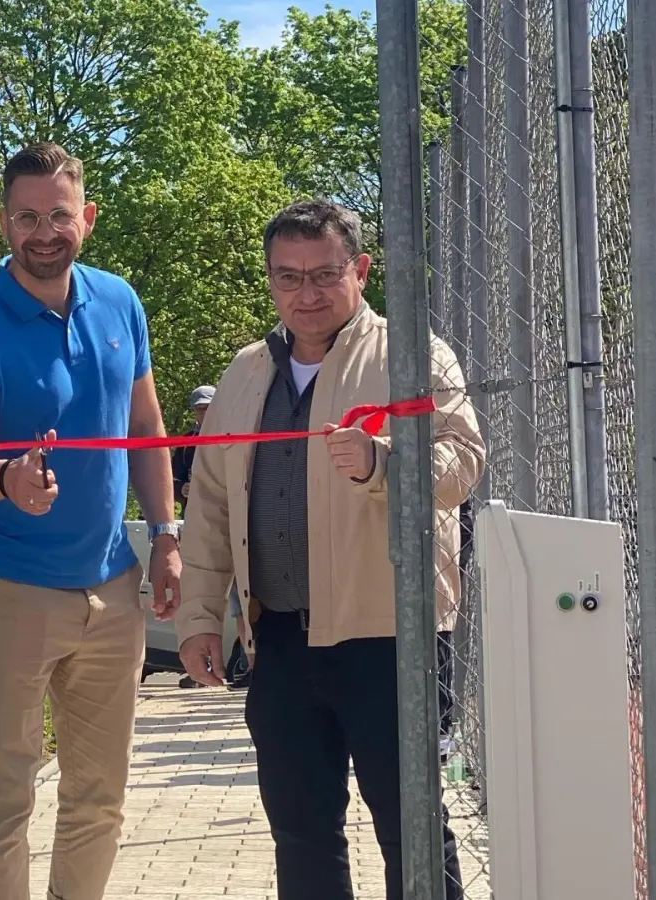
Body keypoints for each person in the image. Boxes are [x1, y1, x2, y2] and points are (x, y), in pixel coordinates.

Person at [174, 198, 485, 900]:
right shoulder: (246, 372)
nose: (305, 294)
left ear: (361, 270)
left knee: (410, 824)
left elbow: (463, 462)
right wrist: (199, 618)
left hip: (391, 636)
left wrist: (384, 463)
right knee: (301, 830)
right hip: (279, 637)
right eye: (288, 278)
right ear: (269, 281)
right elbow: (214, 505)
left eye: (324, 274)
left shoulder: (414, 354)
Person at [0, 141, 182, 899]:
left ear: (89, 218)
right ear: (4, 223)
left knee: (99, 798)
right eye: (26, 217)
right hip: (10, 588)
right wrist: (9, 480)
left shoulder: (121, 301)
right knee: (6, 798)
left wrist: (167, 535)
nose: (44, 232)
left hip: (113, 586)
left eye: (59, 216)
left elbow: (146, 430)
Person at [171, 384, 212, 518]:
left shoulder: (232, 438)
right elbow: (171, 480)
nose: (202, 412)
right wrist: (181, 489)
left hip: (227, 512)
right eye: (198, 408)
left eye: (206, 407)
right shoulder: (186, 443)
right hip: (194, 515)